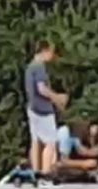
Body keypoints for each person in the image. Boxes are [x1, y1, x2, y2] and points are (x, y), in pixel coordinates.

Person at [24, 40, 68, 175]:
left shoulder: (30, 67)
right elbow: (42, 89)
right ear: (44, 51)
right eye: (50, 52)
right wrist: (57, 98)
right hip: (43, 110)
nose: (52, 55)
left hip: (32, 108)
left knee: (36, 141)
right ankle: (45, 173)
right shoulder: (39, 67)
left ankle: (35, 172)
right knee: (50, 142)